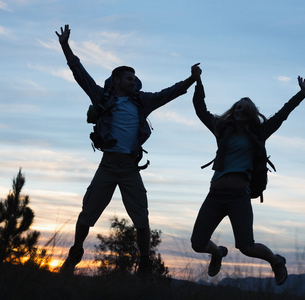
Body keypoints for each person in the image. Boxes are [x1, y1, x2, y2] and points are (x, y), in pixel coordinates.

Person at [55, 24, 200, 276]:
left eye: (134, 78)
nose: (133, 81)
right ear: (117, 80)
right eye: (129, 78)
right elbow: (80, 74)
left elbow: (169, 93)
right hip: (108, 165)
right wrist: (65, 46)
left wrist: (190, 79)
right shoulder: (101, 97)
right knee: (87, 214)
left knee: (141, 220)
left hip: (130, 167)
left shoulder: (143, 101)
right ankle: (75, 252)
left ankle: (144, 263)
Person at [190, 67, 305, 286]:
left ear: (250, 113)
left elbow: (282, 115)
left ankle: (276, 261)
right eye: (236, 108)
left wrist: (300, 95)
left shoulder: (259, 133)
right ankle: (217, 253)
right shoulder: (222, 129)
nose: (238, 111)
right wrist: (198, 83)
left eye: (243, 109)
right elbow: (200, 110)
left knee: (246, 247)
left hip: (238, 198)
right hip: (215, 195)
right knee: (197, 243)